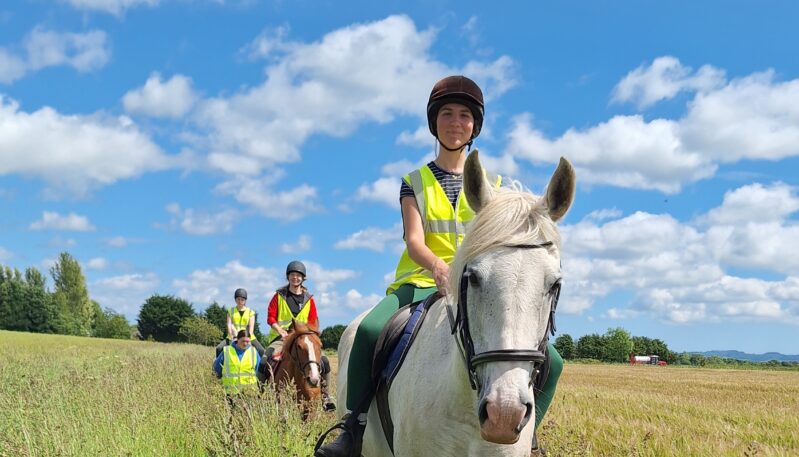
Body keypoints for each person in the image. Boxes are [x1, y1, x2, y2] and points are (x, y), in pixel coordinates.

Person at [315, 75, 563, 457]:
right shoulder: (414, 181)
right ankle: (353, 429)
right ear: (435, 123)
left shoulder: (493, 187)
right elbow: (414, 240)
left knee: (555, 361)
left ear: (474, 126)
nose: (455, 122)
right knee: (367, 330)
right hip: (419, 282)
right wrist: (436, 266)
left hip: (477, 286)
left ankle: (529, 437)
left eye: (464, 115)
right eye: (447, 114)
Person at [264, 260, 335, 411]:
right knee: (265, 360)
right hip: (281, 337)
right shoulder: (279, 296)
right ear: (288, 277)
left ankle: (326, 396)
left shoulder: (309, 299)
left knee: (324, 361)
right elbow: (271, 317)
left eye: (298, 276)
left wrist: (309, 334)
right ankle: (263, 393)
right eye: (292, 275)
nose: (295, 278)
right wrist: (280, 330)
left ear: (303, 278)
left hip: (303, 337)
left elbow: (313, 321)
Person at [215, 288, 265, 357]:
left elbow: (251, 329)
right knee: (219, 348)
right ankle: (217, 367)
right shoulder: (230, 311)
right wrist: (232, 336)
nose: (240, 301)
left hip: (248, 336)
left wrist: (247, 338)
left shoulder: (251, 312)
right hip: (232, 336)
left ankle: (262, 368)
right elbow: (229, 324)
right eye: (238, 299)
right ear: (235, 299)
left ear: (245, 300)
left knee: (261, 350)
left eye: (242, 299)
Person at [213, 329, 261, 395]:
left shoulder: (254, 352)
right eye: (243, 341)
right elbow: (217, 369)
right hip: (230, 392)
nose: (245, 344)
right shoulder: (227, 351)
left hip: (249, 392)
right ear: (237, 339)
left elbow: (258, 370)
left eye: (247, 341)